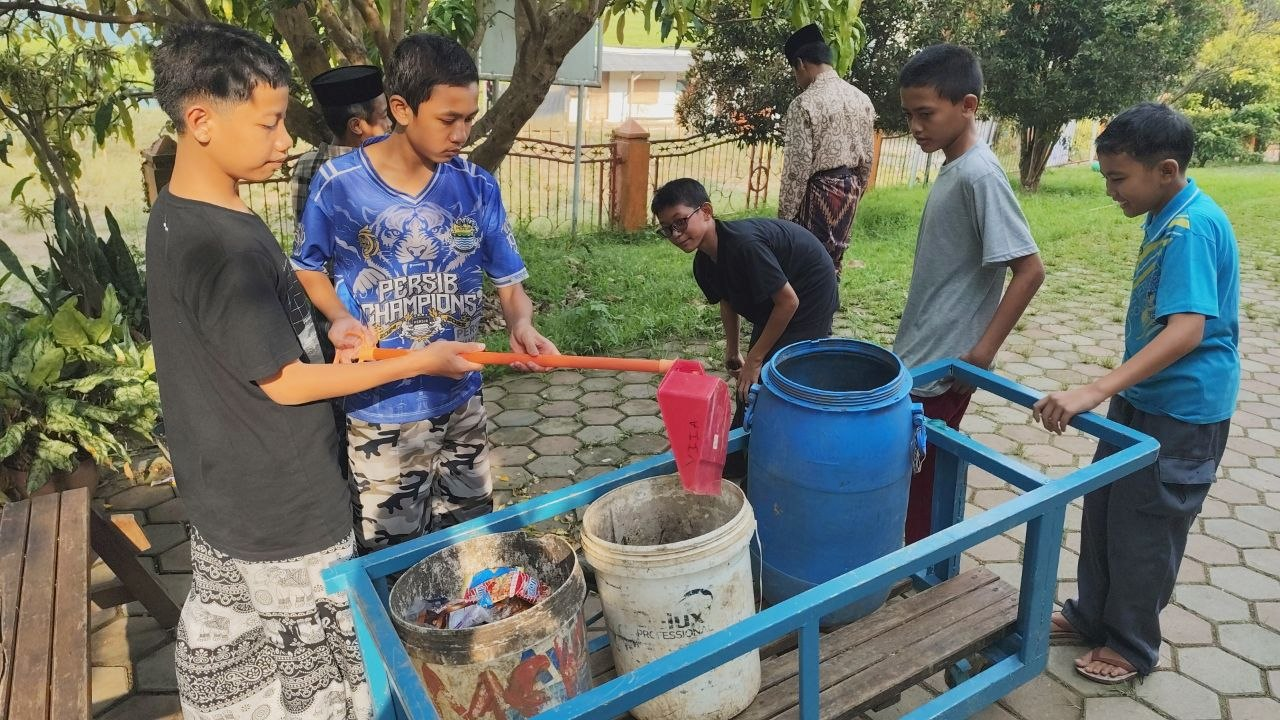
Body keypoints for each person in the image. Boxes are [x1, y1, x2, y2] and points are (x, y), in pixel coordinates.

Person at [147, 21, 481, 719]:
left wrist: (333, 329)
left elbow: (255, 343)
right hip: (286, 507)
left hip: (226, 495)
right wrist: (420, 360)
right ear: (201, 119)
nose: (285, 141)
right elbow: (284, 382)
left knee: (250, 676)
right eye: (269, 124)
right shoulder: (222, 247)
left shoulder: (181, 212)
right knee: (326, 688)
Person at [293, 33, 557, 551]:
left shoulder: (476, 186)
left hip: (463, 400)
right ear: (400, 108)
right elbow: (307, 266)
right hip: (381, 408)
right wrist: (337, 318)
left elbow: (508, 282)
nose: (462, 133)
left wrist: (520, 324)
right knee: (393, 553)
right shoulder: (339, 184)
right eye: (448, 119)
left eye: (469, 118)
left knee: (473, 541)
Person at [1034, 103, 1239, 685]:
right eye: (1105, 178)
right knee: (1106, 512)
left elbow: (1187, 330)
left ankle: (1130, 644)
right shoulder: (1167, 211)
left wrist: (1094, 388)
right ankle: (1091, 614)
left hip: (1183, 412)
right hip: (1145, 398)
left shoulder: (1189, 228)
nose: (1110, 191)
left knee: (1148, 529)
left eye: (1118, 179)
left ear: (1166, 170)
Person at [893, 44, 1045, 544]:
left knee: (923, 475)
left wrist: (982, 352)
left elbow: (1029, 269)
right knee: (912, 471)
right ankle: (908, 561)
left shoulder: (980, 174)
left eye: (926, 114)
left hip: (947, 364)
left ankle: (917, 572)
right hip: (922, 353)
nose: (916, 126)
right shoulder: (955, 167)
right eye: (909, 115)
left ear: (968, 106)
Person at [652, 177, 839, 477]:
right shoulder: (703, 263)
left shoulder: (743, 246)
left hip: (809, 295)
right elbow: (728, 301)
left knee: (770, 381)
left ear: (707, 211)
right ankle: (737, 458)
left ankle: (773, 465)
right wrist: (733, 350)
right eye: (666, 229)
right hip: (775, 303)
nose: (675, 234)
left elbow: (789, 303)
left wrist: (755, 360)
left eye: (680, 222)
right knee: (749, 384)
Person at [777, 23, 877, 278]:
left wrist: (785, 219)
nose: (796, 80)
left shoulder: (804, 103)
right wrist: (855, 193)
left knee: (804, 266)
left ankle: (804, 316)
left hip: (817, 195)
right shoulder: (861, 98)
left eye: (794, 71)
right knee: (831, 267)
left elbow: (796, 170)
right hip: (850, 192)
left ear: (801, 64)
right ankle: (826, 313)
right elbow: (867, 160)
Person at [291, 64, 393, 221]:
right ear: (356, 126)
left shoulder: (305, 165)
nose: (389, 124)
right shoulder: (378, 167)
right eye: (384, 115)